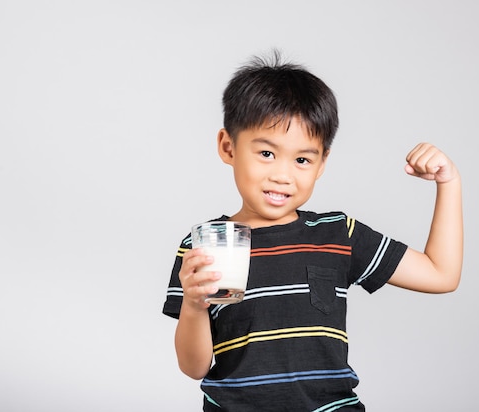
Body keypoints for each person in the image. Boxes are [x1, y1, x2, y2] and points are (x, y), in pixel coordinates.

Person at [162, 50, 463, 411]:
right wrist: (194, 306)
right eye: (267, 154)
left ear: (322, 163)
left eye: (302, 159)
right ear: (228, 147)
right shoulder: (207, 245)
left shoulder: (338, 234)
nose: (283, 175)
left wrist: (450, 184)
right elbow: (194, 368)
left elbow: (441, 274)